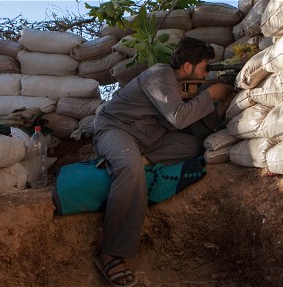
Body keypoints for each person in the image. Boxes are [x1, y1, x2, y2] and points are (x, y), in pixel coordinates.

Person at [92, 37, 235, 287]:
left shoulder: (179, 84)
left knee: (191, 145)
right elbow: (179, 118)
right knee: (129, 168)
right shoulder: (160, 75)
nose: (204, 74)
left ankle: (140, 159)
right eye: (203, 67)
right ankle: (110, 254)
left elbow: (194, 130)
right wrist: (210, 93)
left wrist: (219, 105)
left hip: (148, 138)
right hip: (115, 129)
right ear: (188, 66)